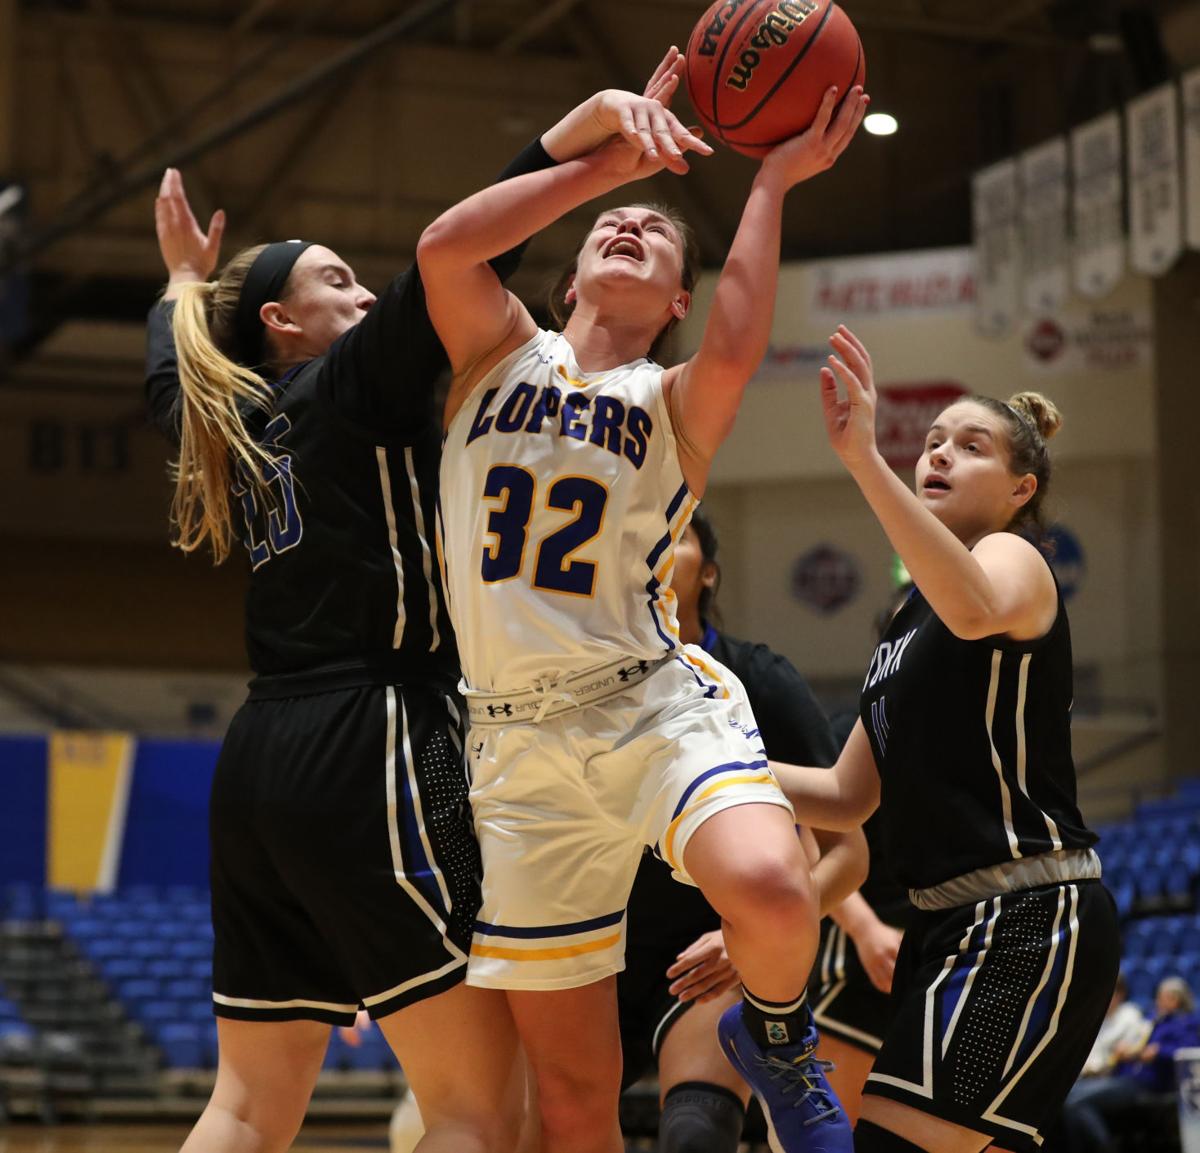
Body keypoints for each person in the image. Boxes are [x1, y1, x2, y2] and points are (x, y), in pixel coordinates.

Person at [143, 53, 687, 1153]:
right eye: (337, 283)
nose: (362, 295)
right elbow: (465, 243)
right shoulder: (351, 382)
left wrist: (179, 286)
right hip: (373, 735)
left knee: (246, 1102)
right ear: (286, 329)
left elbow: (169, 370)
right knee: (480, 1113)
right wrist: (582, 144)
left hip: (255, 765)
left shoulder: (227, 425)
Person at [417, 71, 869, 1153]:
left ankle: (779, 1032)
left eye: (658, 236)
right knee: (572, 1101)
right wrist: (601, 166)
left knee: (768, 886)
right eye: (612, 225)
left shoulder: (671, 403)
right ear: (572, 264)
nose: (629, 224)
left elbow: (739, 342)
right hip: (514, 740)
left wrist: (772, 180)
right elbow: (444, 247)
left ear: (675, 301)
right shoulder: (494, 349)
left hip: (646, 702)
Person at [770, 327, 1121, 1153]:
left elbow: (972, 608)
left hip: (1028, 910)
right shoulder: (904, 624)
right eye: (932, 442)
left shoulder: (1014, 559)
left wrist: (865, 458)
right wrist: (695, 768)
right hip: (952, 923)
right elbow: (847, 794)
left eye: (971, 446)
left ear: (1019, 488)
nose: (939, 455)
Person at [619, 505, 868, 1153]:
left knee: (696, 1134)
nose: (655, 548)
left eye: (676, 536)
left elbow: (848, 851)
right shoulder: (578, 681)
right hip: (592, 949)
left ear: (711, 574)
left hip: (704, 955)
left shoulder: (760, 678)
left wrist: (752, 937)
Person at [1059, 976, 1198, 1153]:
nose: (1158, 1001)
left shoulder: (1185, 1023)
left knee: (1075, 1102)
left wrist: (1158, 1051)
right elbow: (1138, 1049)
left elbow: (1189, 1051)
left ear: (1176, 999)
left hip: (1145, 1085)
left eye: (1163, 997)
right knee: (1065, 1095)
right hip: (1126, 1077)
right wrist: (1129, 1052)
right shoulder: (1155, 1021)